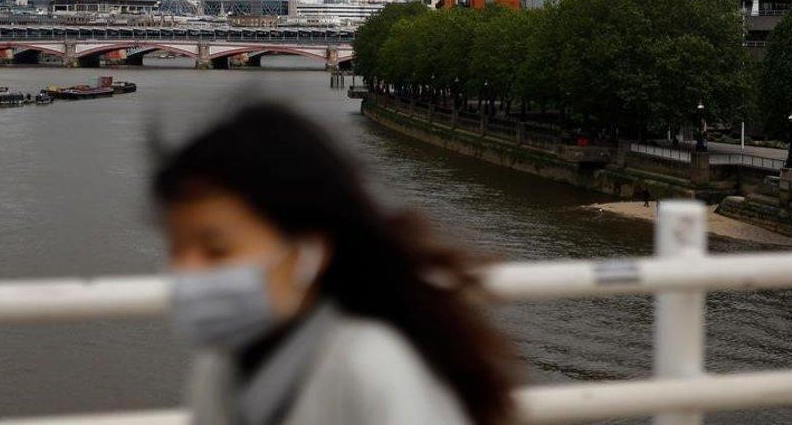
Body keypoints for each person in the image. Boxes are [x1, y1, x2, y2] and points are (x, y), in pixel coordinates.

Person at [152, 102, 518, 425]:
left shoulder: (370, 367)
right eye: (176, 250)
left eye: (217, 251)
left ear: (308, 251)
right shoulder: (219, 368)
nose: (187, 271)